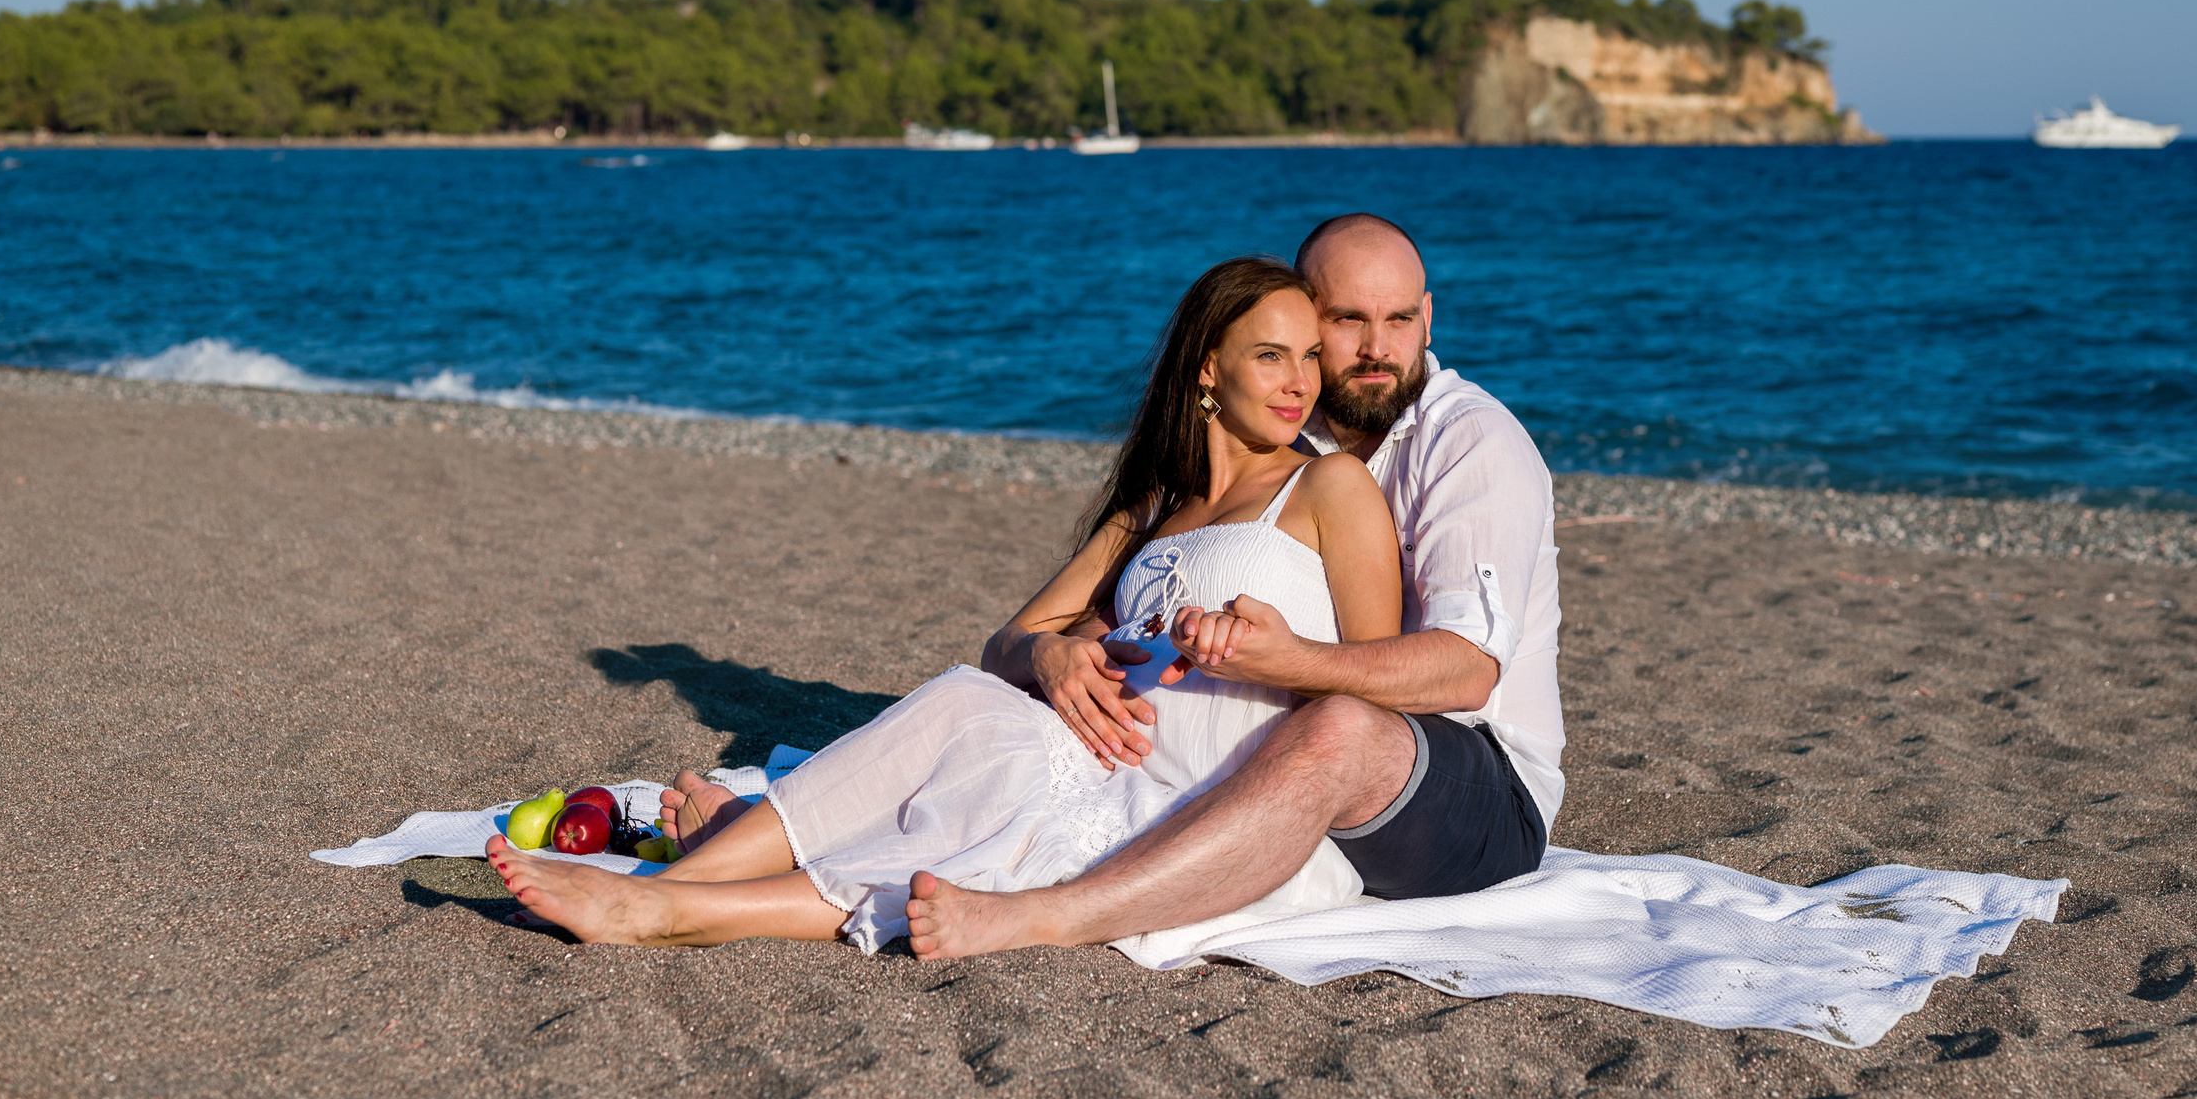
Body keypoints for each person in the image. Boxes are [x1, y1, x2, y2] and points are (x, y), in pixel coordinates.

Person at [484, 256, 1404, 946]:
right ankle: (676, 891)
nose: (1300, 383)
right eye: (1271, 355)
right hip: (1095, 763)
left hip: (1218, 804)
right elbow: (1010, 641)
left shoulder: (1329, 488)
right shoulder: (1153, 508)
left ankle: (673, 905)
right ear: (1207, 367)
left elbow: (1378, 685)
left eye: (1309, 358)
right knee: (967, 700)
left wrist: (1278, 655)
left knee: (965, 810)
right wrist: (1050, 653)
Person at [898, 212, 1562, 958]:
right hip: (1308, 760)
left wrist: (1289, 660)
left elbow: (1468, 672)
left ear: (1428, 316)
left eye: (1401, 319)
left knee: (1336, 726)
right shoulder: (1285, 434)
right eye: (1348, 320)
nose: (1379, 347)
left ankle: (1055, 916)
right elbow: (1095, 618)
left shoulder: (1469, 441)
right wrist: (1063, 653)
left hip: (1480, 788)